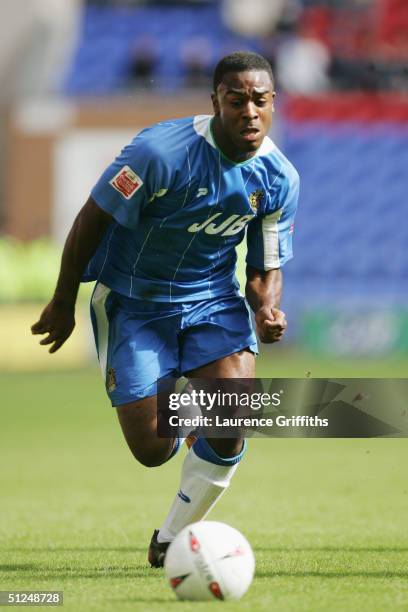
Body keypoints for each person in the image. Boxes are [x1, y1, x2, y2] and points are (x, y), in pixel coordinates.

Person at [31, 51, 299, 568]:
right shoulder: (159, 153)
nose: (250, 112)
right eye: (237, 99)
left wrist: (267, 309)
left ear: (272, 104)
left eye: (260, 101)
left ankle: (172, 538)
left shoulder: (278, 178)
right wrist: (64, 300)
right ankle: (186, 410)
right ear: (215, 101)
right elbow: (91, 220)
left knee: (235, 415)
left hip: (211, 300)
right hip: (134, 303)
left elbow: (266, 266)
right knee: (153, 449)